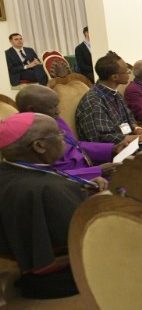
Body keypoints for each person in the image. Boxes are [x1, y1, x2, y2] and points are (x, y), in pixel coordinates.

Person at [0, 113, 101, 299]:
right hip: (62, 278)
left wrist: (81, 189)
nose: (64, 139)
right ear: (40, 146)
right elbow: (88, 238)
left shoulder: (11, 171)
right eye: (59, 134)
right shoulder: (51, 190)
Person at [75, 51, 142, 160]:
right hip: (115, 151)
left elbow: (129, 117)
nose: (130, 73)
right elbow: (103, 139)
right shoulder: (94, 102)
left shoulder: (115, 93)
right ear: (114, 77)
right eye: (126, 71)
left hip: (130, 142)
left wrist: (139, 129)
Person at [16, 85, 124, 183]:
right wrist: (97, 171)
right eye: (52, 107)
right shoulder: (27, 136)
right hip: (76, 181)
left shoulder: (53, 119)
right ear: (31, 109)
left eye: (57, 106)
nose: (58, 111)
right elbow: (49, 176)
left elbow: (74, 144)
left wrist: (112, 149)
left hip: (90, 167)